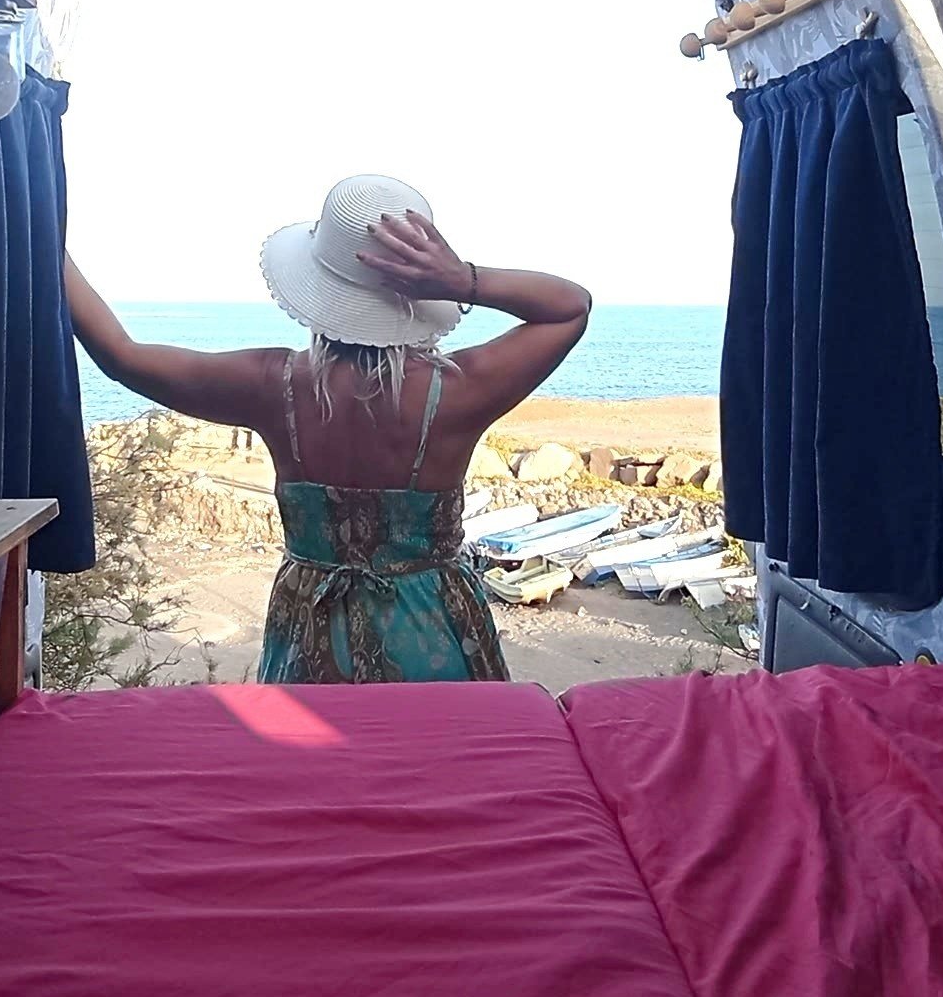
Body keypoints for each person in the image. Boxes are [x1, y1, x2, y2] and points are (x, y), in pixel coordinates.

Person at [63, 174, 591, 682]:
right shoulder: (457, 391)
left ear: (317, 289)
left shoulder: (272, 386)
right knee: (442, 744)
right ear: (419, 295)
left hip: (312, 630)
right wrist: (462, 279)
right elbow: (569, 308)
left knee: (309, 747)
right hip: (434, 627)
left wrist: (46, 239)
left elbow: (122, 356)